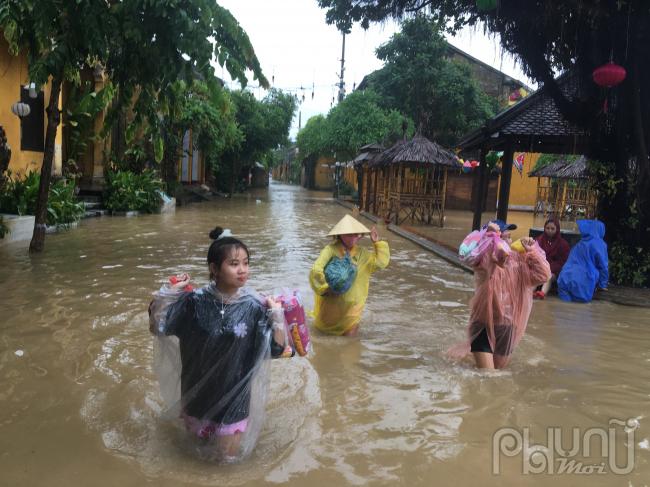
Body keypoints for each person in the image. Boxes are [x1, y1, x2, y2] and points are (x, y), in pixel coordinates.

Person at [148, 226, 287, 462]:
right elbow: (159, 328)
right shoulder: (193, 303)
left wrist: (277, 317)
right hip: (197, 397)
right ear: (214, 269)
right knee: (193, 457)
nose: (242, 270)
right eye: (234, 264)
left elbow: (275, 349)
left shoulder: (255, 307)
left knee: (226, 464)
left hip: (235, 401)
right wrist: (166, 296)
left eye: (245, 262)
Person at [450, 220, 551, 369]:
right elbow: (466, 255)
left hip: (507, 327)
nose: (507, 241)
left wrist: (532, 251)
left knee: (498, 374)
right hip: (482, 325)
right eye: (501, 237)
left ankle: (466, 359)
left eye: (508, 237)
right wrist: (486, 235)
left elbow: (544, 275)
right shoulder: (484, 261)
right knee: (487, 376)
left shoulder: (519, 262)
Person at [309, 214, 390, 336]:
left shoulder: (363, 254)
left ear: (360, 236)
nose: (353, 238)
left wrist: (377, 243)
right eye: (349, 235)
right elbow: (316, 270)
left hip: (352, 312)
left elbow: (381, 263)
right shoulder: (330, 250)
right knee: (325, 336)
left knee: (350, 346)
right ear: (340, 235)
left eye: (356, 235)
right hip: (331, 307)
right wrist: (325, 288)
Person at [557, 219, 609, 303]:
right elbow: (604, 266)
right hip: (584, 282)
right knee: (581, 311)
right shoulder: (600, 244)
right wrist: (602, 285)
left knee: (564, 307)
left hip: (564, 279)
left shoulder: (580, 243)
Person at [534, 217, 570, 299]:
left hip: (554, 271)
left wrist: (549, 267)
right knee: (534, 275)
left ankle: (542, 293)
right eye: (547, 228)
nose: (550, 230)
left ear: (557, 229)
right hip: (540, 268)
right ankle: (531, 291)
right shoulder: (539, 240)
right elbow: (534, 255)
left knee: (549, 277)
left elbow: (562, 262)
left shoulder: (563, 244)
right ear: (544, 228)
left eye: (552, 229)